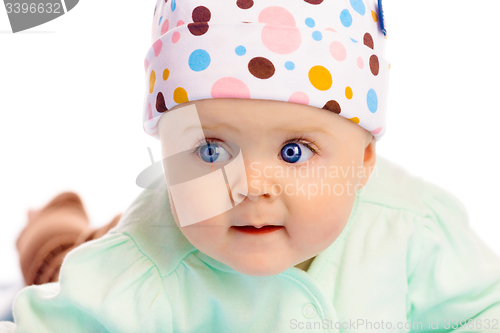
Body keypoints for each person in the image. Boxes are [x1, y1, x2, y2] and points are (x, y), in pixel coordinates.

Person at [2, 0, 500, 332]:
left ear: (364, 160)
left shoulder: (412, 229)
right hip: (126, 236)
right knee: (58, 253)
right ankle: (54, 220)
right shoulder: (139, 268)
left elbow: (481, 312)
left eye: (294, 152)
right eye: (211, 151)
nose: (252, 186)